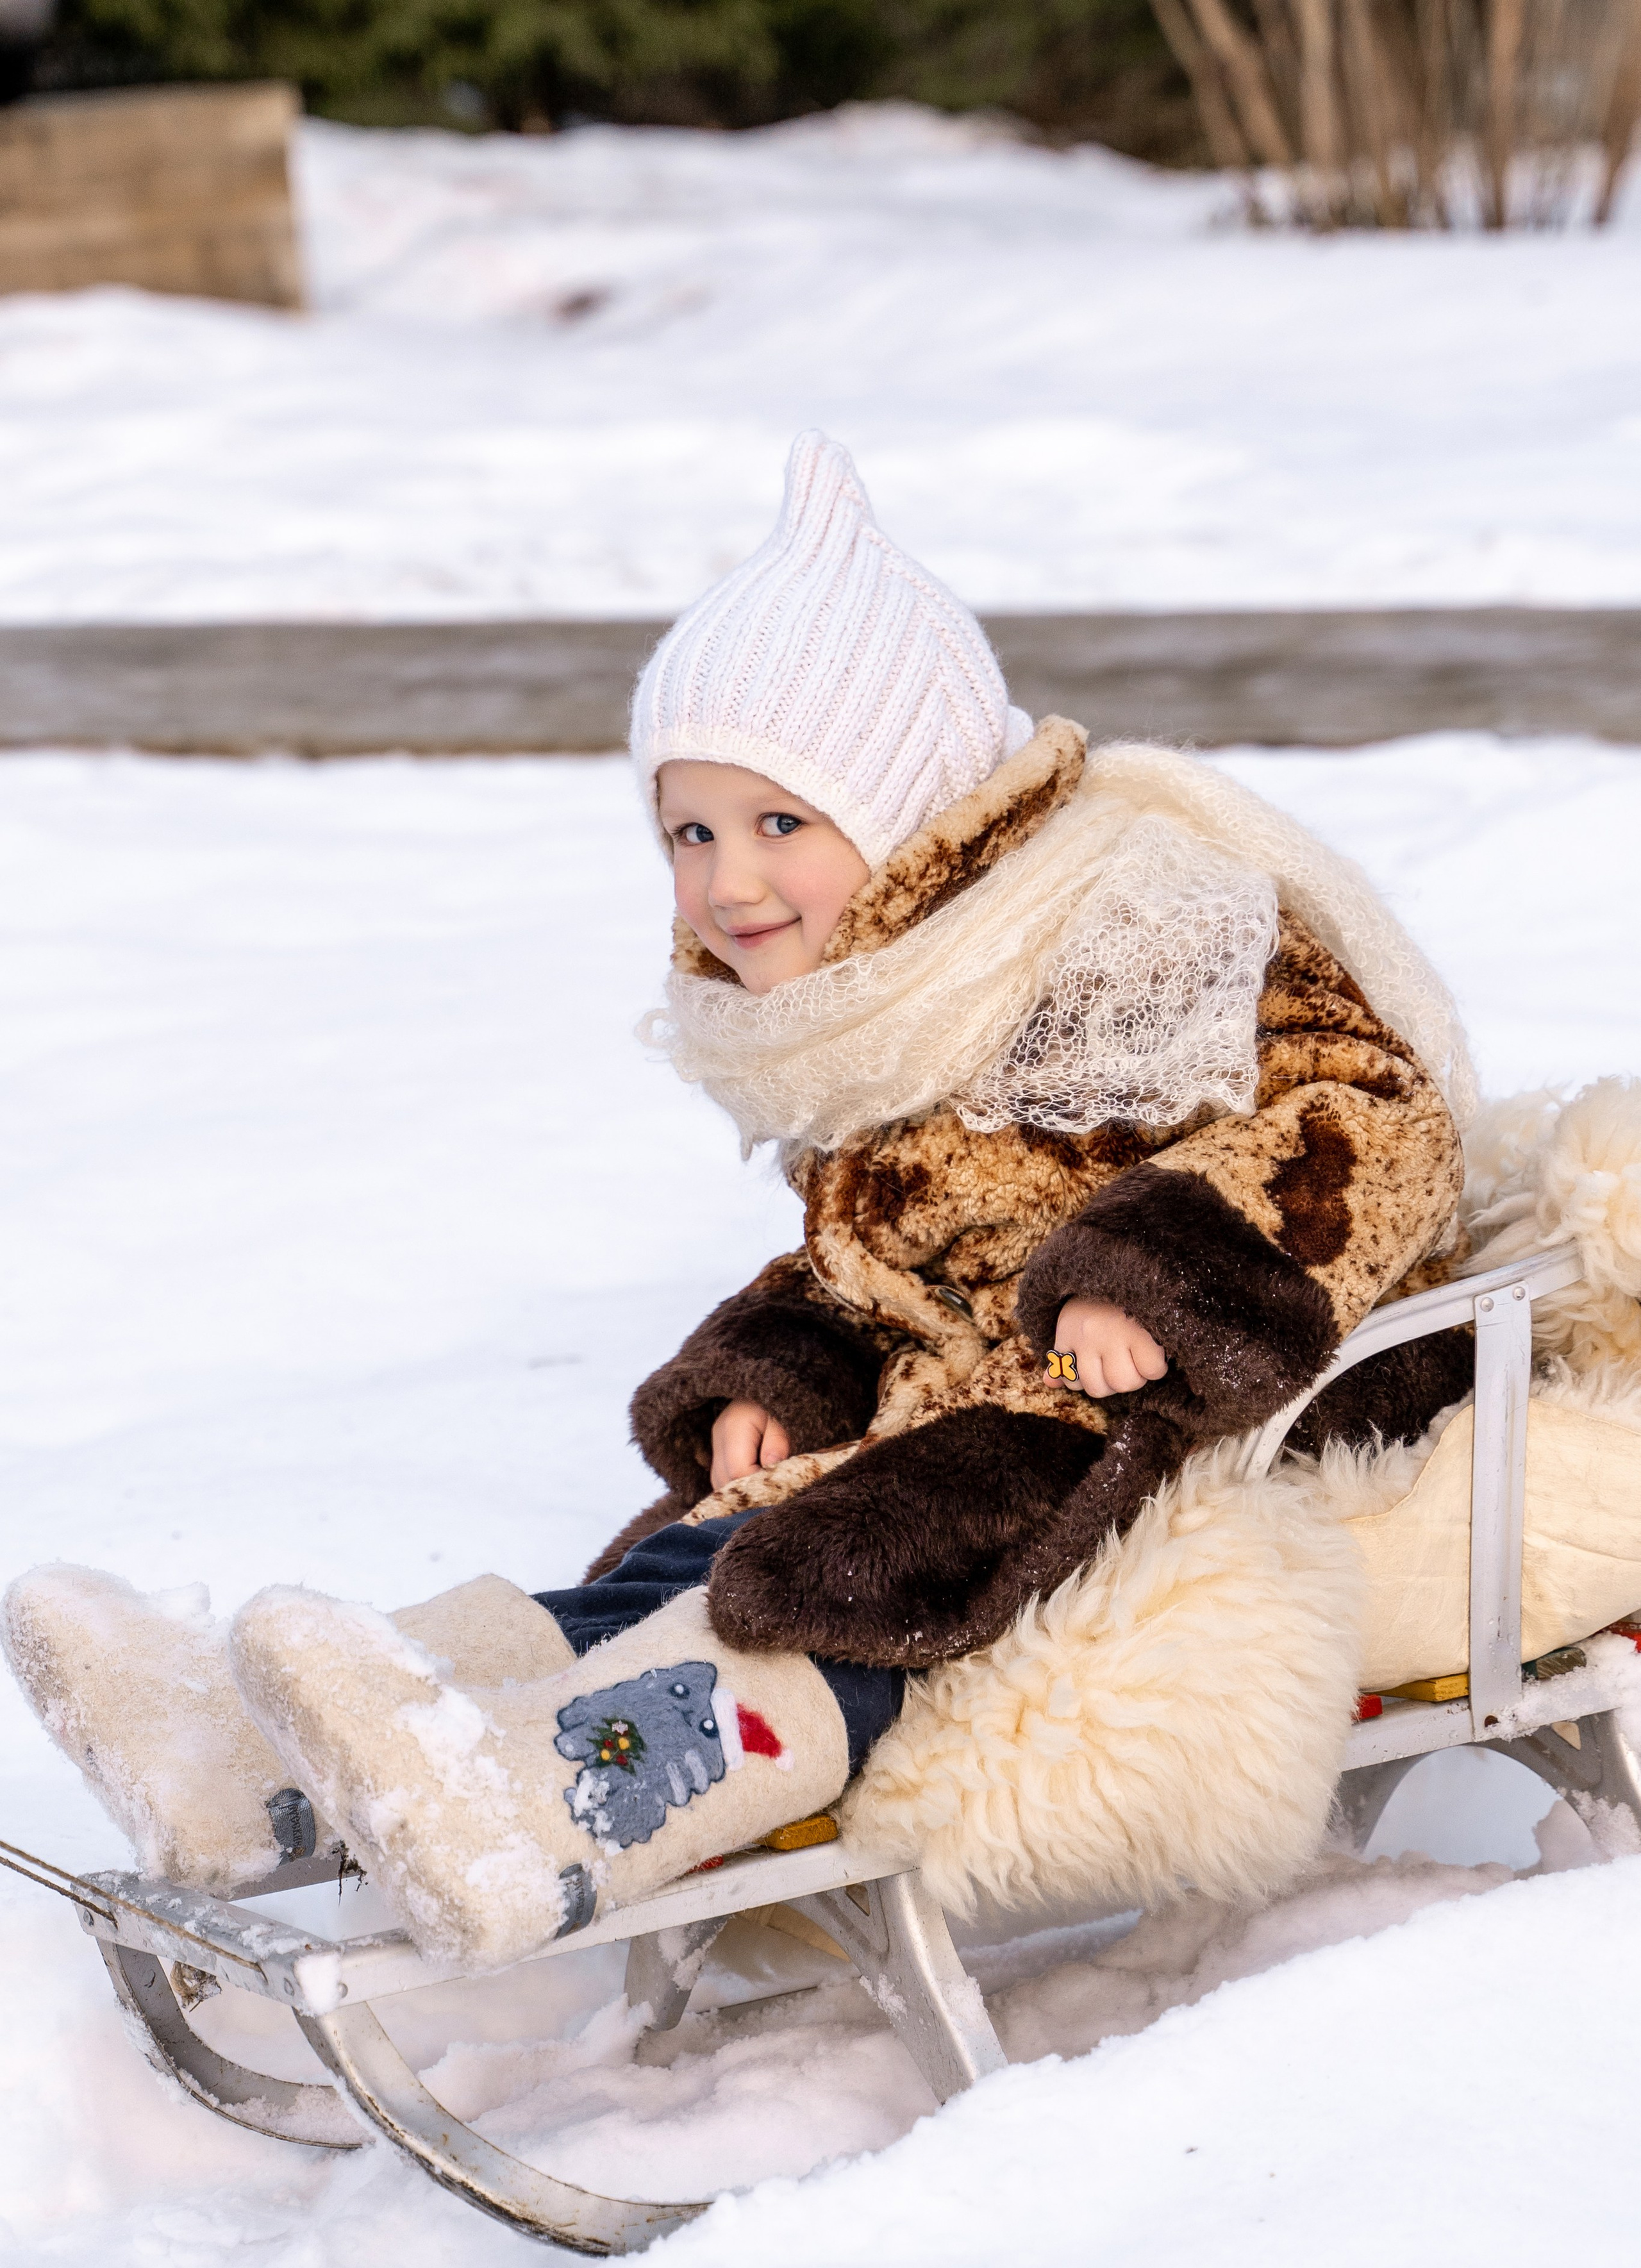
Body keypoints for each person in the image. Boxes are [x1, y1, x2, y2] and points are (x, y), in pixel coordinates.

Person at [3, 433, 1478, 1972]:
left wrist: (1148, 1276)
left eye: (783, 824)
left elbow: (1367, 1120)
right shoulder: (882, 989)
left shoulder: (1145, 920)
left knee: (824, 1583)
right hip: (969, 1397)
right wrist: (782, 1371)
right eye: (690, 832)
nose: (726, 884)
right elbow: (877, 1259)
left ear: (913, 811)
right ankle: (268, 1770)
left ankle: (562, 1809)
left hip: (1188, 1400)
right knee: (687, 1558)